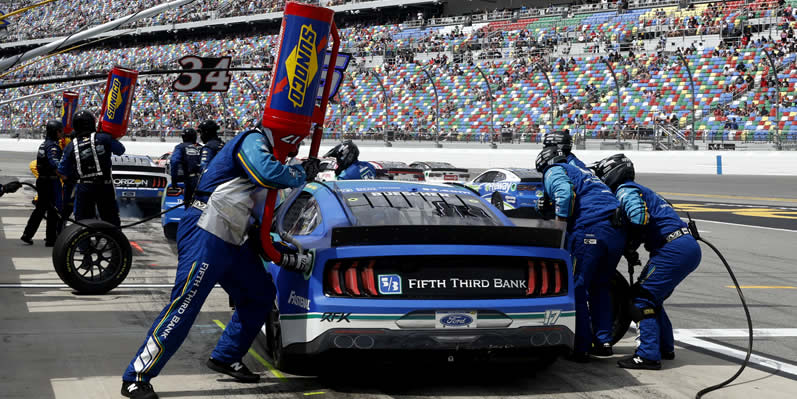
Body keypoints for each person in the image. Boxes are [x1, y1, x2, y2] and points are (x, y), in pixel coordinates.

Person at [121, 125, 321, 399]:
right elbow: (267, 173)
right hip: (206, 229)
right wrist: (299, 174)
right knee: (186, 303)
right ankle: (137, 376)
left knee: (260, 294)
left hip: (233, 237)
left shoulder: (274, 161)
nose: (297, 145)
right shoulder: (254, 139)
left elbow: (263, 223)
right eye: (295, 139)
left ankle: (226, 356)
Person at [593, 154, 701, 370]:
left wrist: (623, 229)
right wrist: (632, 248)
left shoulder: (626, 190)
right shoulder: (643, 189)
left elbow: (639, 216)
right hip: (683, 245)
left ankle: (648, 355)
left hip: (672, 247)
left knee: (640, 300)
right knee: (653, 298)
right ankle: (664, 347)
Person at [535, 146, 625, 361]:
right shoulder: (586, 173)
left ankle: (580, 346)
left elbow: (564, 193)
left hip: (590, 229)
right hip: (616, 231)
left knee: (577, 287)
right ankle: (603, 342)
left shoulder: (554, 170)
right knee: (601, 286)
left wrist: (559, 227)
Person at [57, 110, 126, 226]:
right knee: (111, 219)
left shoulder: (71, 146)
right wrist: (110, 136)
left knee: (83, 220)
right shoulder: (104, 138)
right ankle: (114, 242)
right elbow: (120, 150)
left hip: (84, 186)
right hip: (105, 185)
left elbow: (62, 169)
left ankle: (84, 243)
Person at [21, 120, 65, 246]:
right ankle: (51, 239)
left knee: (40, 209)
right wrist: (64, 173)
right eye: (60, 131)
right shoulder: (53, 146)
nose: (62, 133)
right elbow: (55, 162)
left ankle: (27, 234)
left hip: (42, 180)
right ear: (56, 132)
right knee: (53, 210)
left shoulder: (44, 144)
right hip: (50, 181)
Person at [169, 128, 202, 208]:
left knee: (189, 206)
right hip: (203, 180)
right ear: (194, 137)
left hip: (190, 181)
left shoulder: (180, 147)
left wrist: (174, 180)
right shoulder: (202, 148)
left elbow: (174, 162)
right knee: (201, 206)